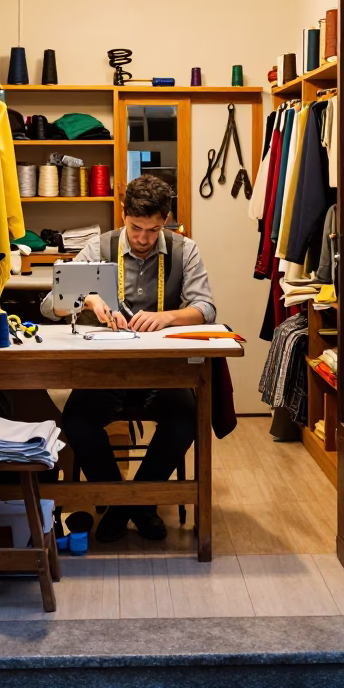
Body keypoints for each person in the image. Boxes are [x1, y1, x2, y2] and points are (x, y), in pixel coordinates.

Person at [40, 175, 216, 542]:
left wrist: (168, 316)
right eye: (136, 228)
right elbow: (48, 306)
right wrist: (85, 298)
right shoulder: (98, 247)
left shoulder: (185, 250)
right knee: (76, 420)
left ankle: (136, 504)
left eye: (153, 230)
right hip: (108, 370)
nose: (142, 239)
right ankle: (127, 503)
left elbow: (206, 308)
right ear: (123, 215)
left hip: (162, 371)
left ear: (165, 220)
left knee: (186, 418)